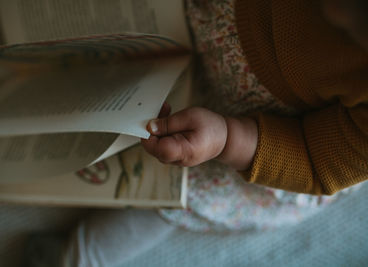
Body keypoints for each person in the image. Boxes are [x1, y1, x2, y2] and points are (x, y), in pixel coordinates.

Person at [62, 0, 368, 265]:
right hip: (199, 22)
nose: (333, 12)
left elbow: (314, 159)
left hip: (256, 136)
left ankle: (79, 257)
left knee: (171, 194)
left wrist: (226, 139)